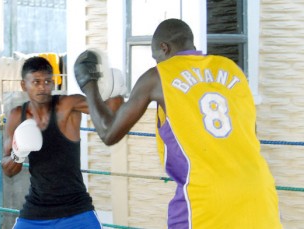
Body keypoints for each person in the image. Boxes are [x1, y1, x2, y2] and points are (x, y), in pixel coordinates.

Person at [74, 18, 283, 228]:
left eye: (156, 56)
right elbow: (250, 132)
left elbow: (109, 132)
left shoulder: (158, 76)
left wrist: (89, 84)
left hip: (206, 195)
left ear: (164, 48)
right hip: (259, 188)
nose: (156, 62)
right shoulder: (232, 68)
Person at [1, 56, 122, 229]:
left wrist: (115, 90)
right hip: (36, 211)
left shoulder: (67, 105)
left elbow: (110, 108)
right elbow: (8, 170)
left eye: (47, 81)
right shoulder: (16, 116)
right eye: (36, 82)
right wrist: (18, 153)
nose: (43, 87)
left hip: (76, 209)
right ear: (23, 85)